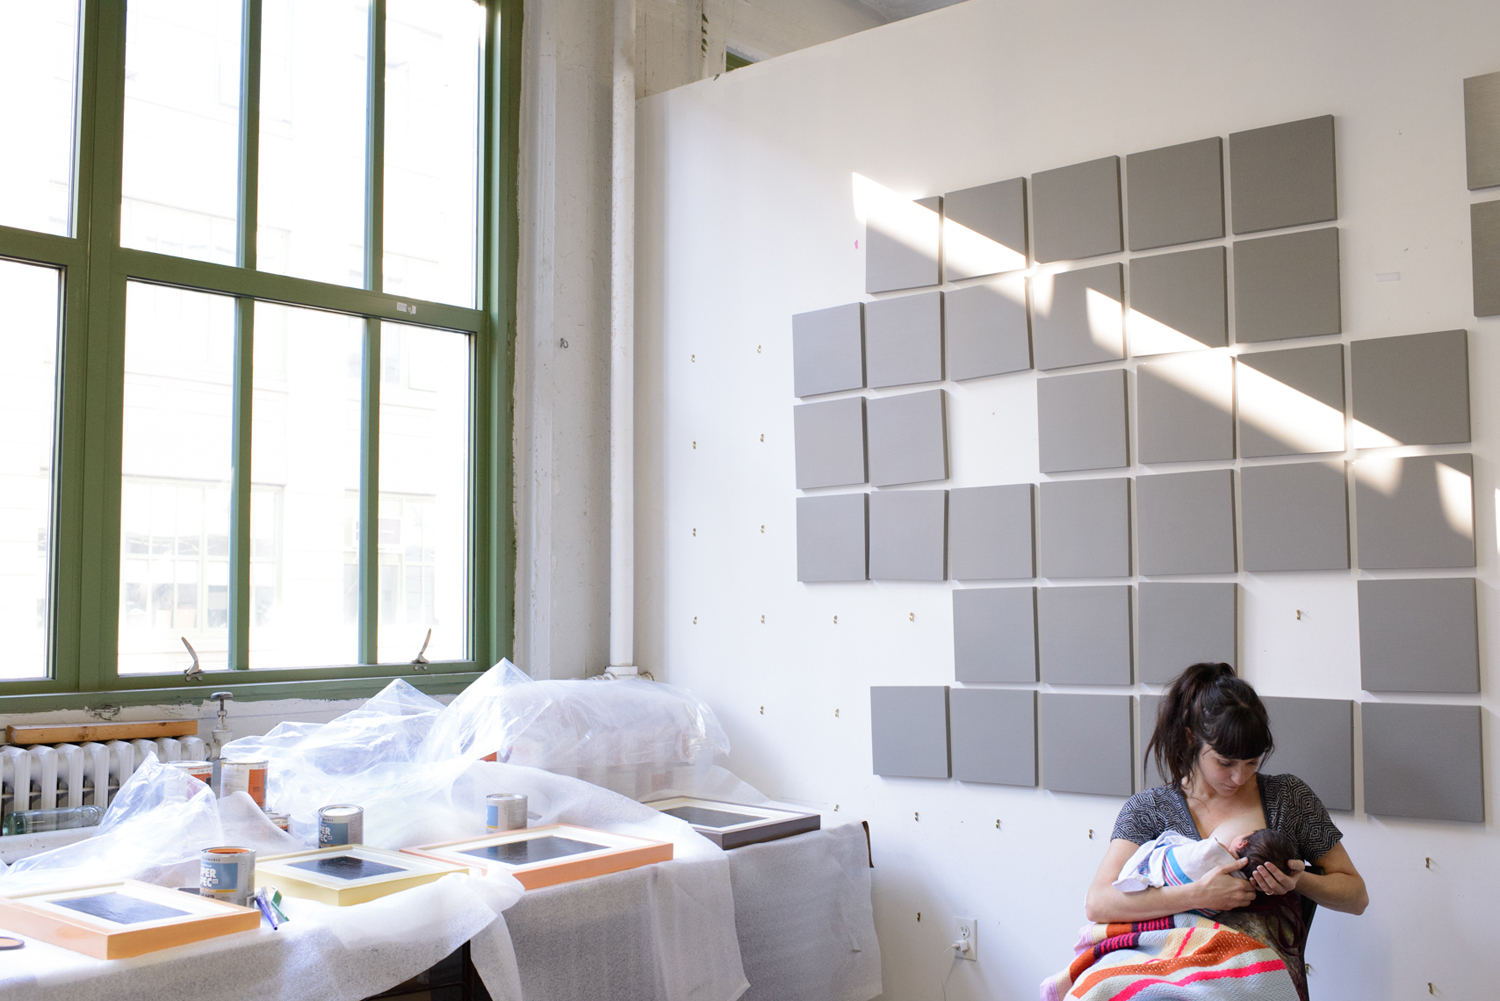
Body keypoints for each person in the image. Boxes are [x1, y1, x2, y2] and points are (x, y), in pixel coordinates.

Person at [1086, 662, 1368, 923]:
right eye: (1225, 762)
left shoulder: (1287, 797)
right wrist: (1198, 895)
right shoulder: (1149, 809)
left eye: (1252, 762)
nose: (1239, 777)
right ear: (1190, 738)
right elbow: (1098, 903)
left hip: (1258, 969)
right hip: (1169, 965)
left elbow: (1357, 898)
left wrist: (1298, 880)